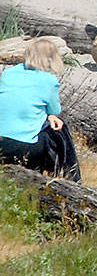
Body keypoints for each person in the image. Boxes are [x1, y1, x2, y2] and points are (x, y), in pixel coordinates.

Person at [0, 39, 77, 178]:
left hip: (1, 141)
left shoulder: (8, 73)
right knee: (59, 129)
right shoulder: (48, 80)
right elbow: (55, 110)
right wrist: (50, 115)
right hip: (25, 146)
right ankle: (71, 176)